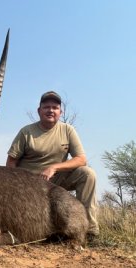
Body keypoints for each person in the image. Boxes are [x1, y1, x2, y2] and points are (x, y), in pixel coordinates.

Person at [6, 91, 99, 238]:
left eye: (55, 107)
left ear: (60, 112)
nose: (50, 110)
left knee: (88, 174)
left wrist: (53, 167)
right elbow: (11, 162)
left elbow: (81, 159)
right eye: (46, 107)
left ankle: (89, 230)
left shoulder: (68, 130)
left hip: (56, 181)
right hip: (29, 184)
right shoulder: (26, 132)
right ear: (39, 111)